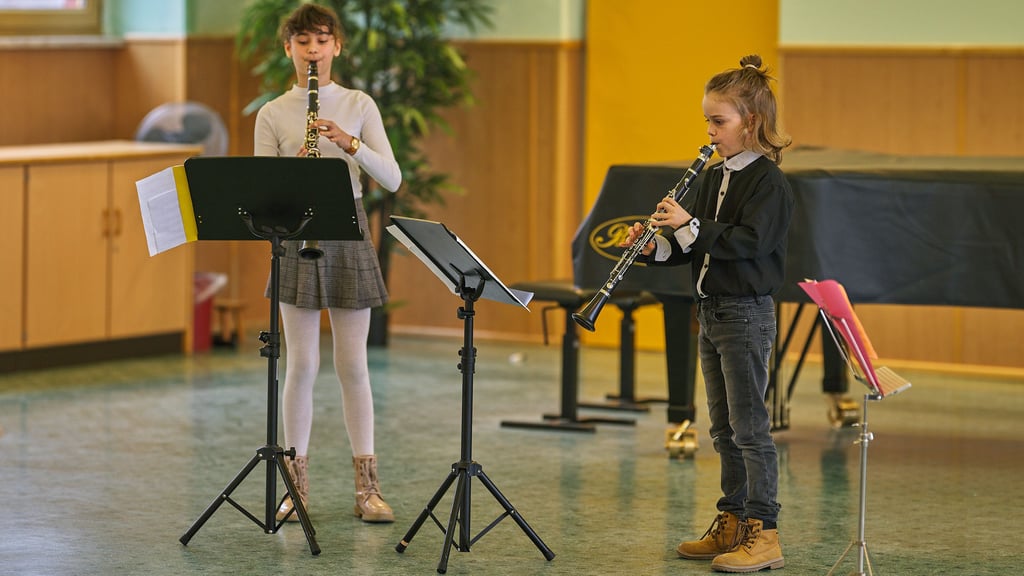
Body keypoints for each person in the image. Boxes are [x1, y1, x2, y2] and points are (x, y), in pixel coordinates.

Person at [623, 54, 793, 572]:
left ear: (752, 123)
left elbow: (749, 243)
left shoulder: (768, 183)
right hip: (713, 312)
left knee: (750, 428)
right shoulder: (711, 175)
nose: (710, 131)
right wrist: (653, 248)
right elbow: (690, 247)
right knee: (722, 427)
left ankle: (764, 532)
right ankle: (732, 520)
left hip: (745, 313)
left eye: (719, 121)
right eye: (707, 121)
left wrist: (690, 226)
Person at [253, 3, 402, 524]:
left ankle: (368, 491)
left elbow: (393, 178)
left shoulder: (359, 103)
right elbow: (261, 196)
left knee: (352, 365)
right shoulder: (272, 113)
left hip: (348, 228)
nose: (312, 51)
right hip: (296, 234)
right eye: (302, 42)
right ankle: (296, 489)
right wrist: (292, 176)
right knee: (301, 365)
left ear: (337, 46)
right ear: (287, 49)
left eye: (321, 41)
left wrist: (349, 143)